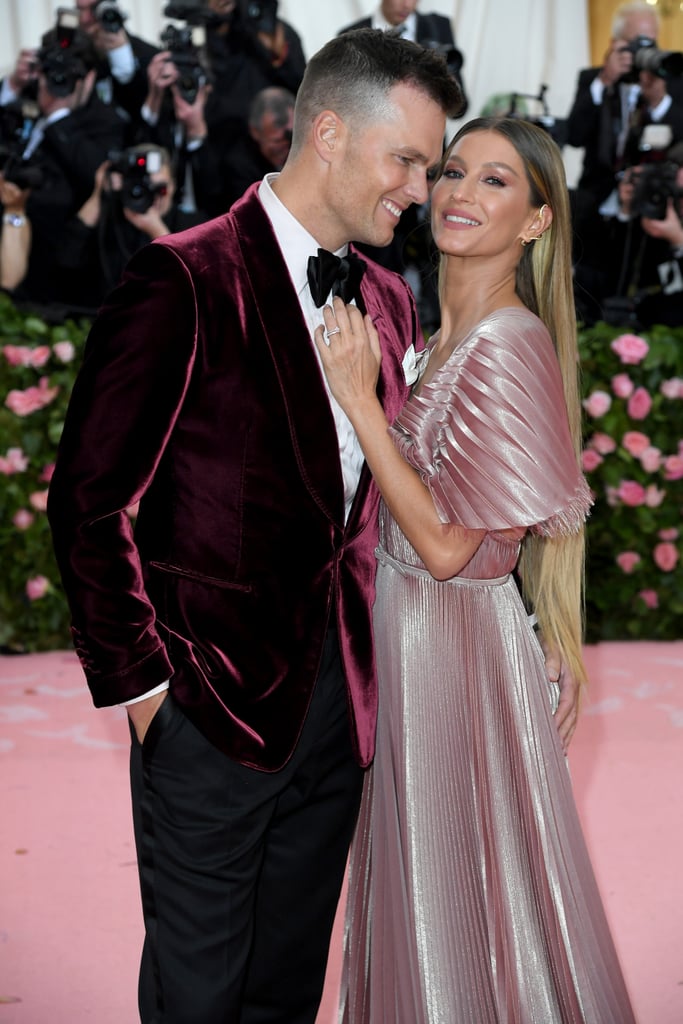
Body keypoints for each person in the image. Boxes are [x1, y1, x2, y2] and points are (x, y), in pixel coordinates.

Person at [47, 28, 463, 1024]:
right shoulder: (182, 278)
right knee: (197, 1001)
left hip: (338, 717)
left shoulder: (390, 303)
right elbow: (88, 501)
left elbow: (370, 509)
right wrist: (150, 697)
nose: (419, 186)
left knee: (282, 993)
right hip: (208, 710)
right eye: (404, 158)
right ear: (327, 131)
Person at [314, 116, 637, 1021]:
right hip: (416, 639)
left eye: (497, 182)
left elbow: (453, 548)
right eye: (453, 170)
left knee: (450, 885)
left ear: (535, 221)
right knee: (437, 877)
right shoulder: (439, 331)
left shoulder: (505, 344)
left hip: (446, 647)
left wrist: (360, 401)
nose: (460, 192)